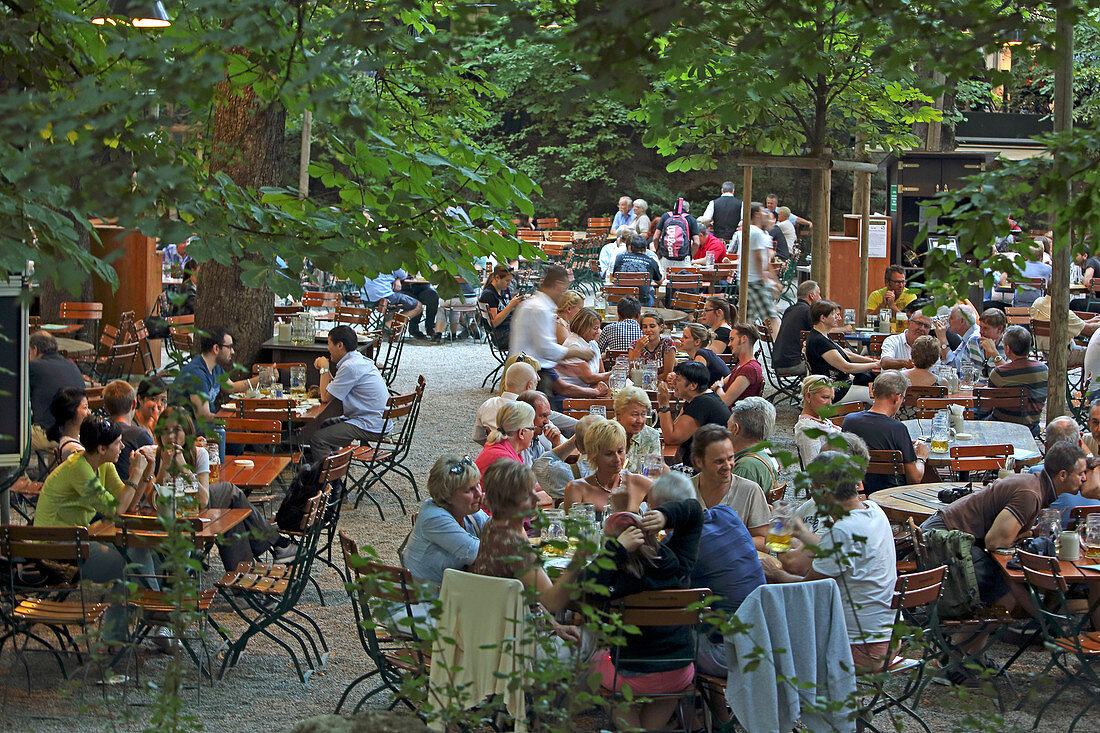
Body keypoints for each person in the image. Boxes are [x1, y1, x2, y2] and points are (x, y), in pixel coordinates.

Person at [583, 476, 703, 732]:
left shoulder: (620, 579)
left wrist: (617, 550)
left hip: (629, 673)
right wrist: (664, 516)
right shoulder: (678, 562)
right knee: (668, 687)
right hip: (679, 670)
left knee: (593, 663)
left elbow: (585, 586)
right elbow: (694, 511)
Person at [765, 451, 898, 672]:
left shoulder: (843, 530)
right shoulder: (874, 512)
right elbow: (840, 554)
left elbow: (809, 588)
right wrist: (801, 531)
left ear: (824, 490)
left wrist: (775, 573)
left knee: (772, 634)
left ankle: (797, 702)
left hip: (859, 649)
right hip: (888, 640)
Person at [921, 441, 1087, 607]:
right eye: (1081, 473)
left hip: (954, 536)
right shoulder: (1030, 494)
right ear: (1063, 475)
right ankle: (1045, 625)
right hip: (942, 538)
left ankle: (1043, 623)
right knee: (1007, 588)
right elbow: (995, 542)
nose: (1084, 478)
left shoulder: (1035, 484)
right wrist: (1028, 534)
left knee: (1013, 581)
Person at [34, 417, 155, 643]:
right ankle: (153, 614)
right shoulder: (78, 469)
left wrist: (147, 472)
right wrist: (136, 475)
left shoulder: (103, 464)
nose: (122, 446)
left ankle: (140, 619)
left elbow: (127, 504)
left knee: (143, 551)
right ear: (101, 448)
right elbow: (117, 510)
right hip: (57, 552)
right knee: (130, 564)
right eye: (118, 442)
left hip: (77, 542)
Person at [148, 407, 296, 567]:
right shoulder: (151, 454)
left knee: (232, 515)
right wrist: (165, 467)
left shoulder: (198, 454)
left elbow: (203, 502)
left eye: (177, 430)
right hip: (167, 521)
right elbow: (153, 502)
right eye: (165, 430)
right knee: (230, 496)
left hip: (197, 516)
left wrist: (185, 469)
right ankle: (275, 546)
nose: (170, 436)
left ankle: (242, 574)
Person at [469, 460, 589, 657]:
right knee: (597, 641)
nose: (537, 499)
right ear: (508, 503)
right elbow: (553, 602)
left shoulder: (494, 525)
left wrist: (556, 626)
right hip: (517, 647)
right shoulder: (515, 546)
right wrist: (577, 561)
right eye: (527, 496)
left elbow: (530, 598)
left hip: (494, 632)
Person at [686, 466, 766, 678]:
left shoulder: (684, 544)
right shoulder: (729, 516)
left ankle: (679, 697)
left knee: (669, 636)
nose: (727, 467)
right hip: (762, 647)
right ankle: (715, 711)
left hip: (728, 656)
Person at [509, 264, 596, 402]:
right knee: (559, 406)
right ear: (558, 285)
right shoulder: (539, 308)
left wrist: (561, 363)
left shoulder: (536, 305)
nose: (565, 294)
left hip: (534, 367)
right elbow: (545, 349)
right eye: (565, 289)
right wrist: (578, 353)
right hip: (532, 372)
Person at [403, 454, 489, 592]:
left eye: (478, 484)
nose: (479, 493)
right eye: (469, 490)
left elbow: (501, 538)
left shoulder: (470, 512)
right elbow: (479, 553)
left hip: (454, 593)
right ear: (448, 496)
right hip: (423, 601)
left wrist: (500, 513)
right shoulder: (433, 517)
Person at [841, 371, 930, 494]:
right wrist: (921, 457)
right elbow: (914, 479)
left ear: (873, 392)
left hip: (859, 492)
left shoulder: (849, 421)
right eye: (903, 398)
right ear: (897, 397)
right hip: (892, 494)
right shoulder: (898, 428)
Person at [310, 324, 390, 461]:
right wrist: (325, 369)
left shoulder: (350, 367)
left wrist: (324, 368)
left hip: (369, 423)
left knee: (318, 439)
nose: (328, 348)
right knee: (326, 424)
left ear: (340, 345)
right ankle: (335, 464)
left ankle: (328, 479)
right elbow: (333, 387)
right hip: (376, 419)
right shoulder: (357, 359)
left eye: (329, 344)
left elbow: (325, 397)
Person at [689, 424, 770, 549]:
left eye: (730, 458)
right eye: (719, 461)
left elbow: (764, 542)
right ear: (699, 461)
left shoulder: (750, 490)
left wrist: (728, 543)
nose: (728, 466)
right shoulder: (684, 491)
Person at [563, 418, 652, 513]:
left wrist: (661, 516)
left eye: (620, 451)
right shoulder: (577, 489)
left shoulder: (637, 482)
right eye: (609, 454)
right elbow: (572, 527)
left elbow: (668, 504)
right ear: (594, 455)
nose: (617, 459)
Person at [174, 327, 257, 420]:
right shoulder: (197, 374)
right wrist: (231, 419)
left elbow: (231, 387)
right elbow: (203, 417)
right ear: (216, 348)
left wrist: (260, 379)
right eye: (229, 347)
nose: (232, 352)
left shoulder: (214, 367)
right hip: (189, 430)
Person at [657, 360, 732, 463]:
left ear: (693, 385)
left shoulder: (702, 403)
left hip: (709, 466)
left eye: (678, 380)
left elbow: (671, 438)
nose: (673, 383)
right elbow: (674, 427)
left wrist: (663, 403)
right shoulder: (697, 397)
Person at [805, 299, 878, 403]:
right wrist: (875, 365)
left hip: (841, 384)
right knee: (879, 397)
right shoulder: (819, 340)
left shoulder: (822, 335)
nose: (839, 318)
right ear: (823, 318)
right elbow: (846, 367)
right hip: (834, 391)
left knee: (871, 382)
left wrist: (872, 361)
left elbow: (847, 354)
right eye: (834, 315)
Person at [1033, 418, 1100, 527]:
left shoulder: (1039, 473)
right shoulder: (1094, 476)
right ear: (1079, 443)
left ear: (1046, 447)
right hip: (1092, 535)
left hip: (1055, 537)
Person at [985, 325, 1047, 435]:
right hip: (1031, 427)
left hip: (1002, 426)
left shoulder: (999, 373)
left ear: (1007, 349)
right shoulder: (1043, 370)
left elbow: (988, 406)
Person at [29, 330, 85, 448]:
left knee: (11, 435)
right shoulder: (71, 364)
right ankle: (52, 465)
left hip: (48, 435)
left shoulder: (33, 367)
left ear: (34, 349)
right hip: (77, 433)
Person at [733, 203, 780, 337]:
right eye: (763, 211)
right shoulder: (756, 233)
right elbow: (759, 258)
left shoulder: (750, 231)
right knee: (771, 316)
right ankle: (780, 351)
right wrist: (765, 279)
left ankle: (739, 349)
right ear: (757, 214)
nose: (766, 214)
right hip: (754, 281)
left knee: (745, 320)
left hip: (746, 279)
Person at [472, 360, 538, 443]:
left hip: (492, 451)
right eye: (536, 385)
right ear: (529, 386)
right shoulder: (530, 408)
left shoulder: (487, 404)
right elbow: (547, 444)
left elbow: (477, 437)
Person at [1030, 294, 1100, 367]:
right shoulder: (1063, 311)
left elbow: (1073, 324)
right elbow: (1089, 331)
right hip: (1065, 356)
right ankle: (1090, 378)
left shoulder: (1037, 303)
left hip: (1046, 354)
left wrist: (1089, 321)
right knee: (1096, 352)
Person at [103, 379, 153, 479]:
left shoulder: (101, 430)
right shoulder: (139, 435)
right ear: (134, 404)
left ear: (105, 408)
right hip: (135, 490)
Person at [728, 396, 780, 493]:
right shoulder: (762, 453)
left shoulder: (745, 467)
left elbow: (732, 506)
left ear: (735, 429)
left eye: (727, 426)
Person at [474, 401, 536, 479]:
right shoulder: (504, 460)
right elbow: (521, 491)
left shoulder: (504, 449)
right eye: (532, 429)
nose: (533, 433)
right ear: (521, 433)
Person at [772, 280, 820, 376]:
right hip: (794, 365)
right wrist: (843, 330)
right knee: (824, 362)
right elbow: (820, 333)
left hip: (778, 363)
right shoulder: (808, 311)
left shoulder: (790, 310)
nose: (820, 298)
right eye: (819, 294)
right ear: (812, 296)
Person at [361, 269, 426, 336]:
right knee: (418, 306)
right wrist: (398, 278)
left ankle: (388, 325)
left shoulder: (367, 261)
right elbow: (403, 275)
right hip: (384, 297)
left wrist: (396, 278)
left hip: (366, 299)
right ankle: (387, 326)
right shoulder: (393, 260)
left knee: (399, 300)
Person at [556, 308, 610, 390]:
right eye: (595, 328)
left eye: (598, 328)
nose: (597, 332)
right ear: (584, 327)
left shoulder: (593, 343)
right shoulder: (574, 344)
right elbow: (588, 379)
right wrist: (615, 373)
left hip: (589, 392)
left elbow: (601, 372)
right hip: (572, 395)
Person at [614, 386, 662, 473]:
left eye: (643, 414)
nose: (640, 420)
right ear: (619, 414)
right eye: (635, 415)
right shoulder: (605, 433)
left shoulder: (651, 436)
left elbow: (653, 474)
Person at [794, 375, 839, 466]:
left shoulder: (821, 420)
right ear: (808, 396)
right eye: (825, 397)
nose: (829, 404)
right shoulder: (807, 428)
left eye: (831, 399)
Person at [716, 323, 764, 407]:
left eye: (732, 339)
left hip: (734, 417)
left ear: (743, 339)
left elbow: (725, 401)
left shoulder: (749, 369)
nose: (729, 344)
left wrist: (718, 387)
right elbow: (722, 381)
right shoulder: (742, 365)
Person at [479, 264, 524, 349]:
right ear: (497, 278)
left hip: (510, 329)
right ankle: (514, 360)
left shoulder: (504, 290)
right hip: (500, 336)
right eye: (507, 281)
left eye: (510, 281)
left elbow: (508, 311)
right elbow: (494, 323)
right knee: (532, 338)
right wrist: (510, 306)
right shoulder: (489, 294)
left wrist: (517, 305)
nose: (509, 284)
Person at [611, 235, 663, 306]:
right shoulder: (651, 261)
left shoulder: (620, 258)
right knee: (651, 297)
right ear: (645, 248)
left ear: (630, 248)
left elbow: (614, 277)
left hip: (619, 300)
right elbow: (659, 282)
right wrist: (663, 274)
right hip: (642, 301)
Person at [653, 198, 702, 270]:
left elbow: (655, 238)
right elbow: (696, 242)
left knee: (665, 279)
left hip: (666, 258)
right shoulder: (691, 219)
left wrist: (658, 251)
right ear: (687, 210)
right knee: (682, 280)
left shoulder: (665, 216)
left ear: (674, 207)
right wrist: (689, 256)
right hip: (683, 259)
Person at [627, 311, 677, 379]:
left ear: (661, 327)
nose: (648, 330)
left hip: (661, 384)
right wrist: (638, 350)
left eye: (652, 326)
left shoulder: (667, 344)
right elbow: (631, 374)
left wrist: (648, 381)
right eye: (644, 327)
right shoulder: (635, 345)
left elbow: (667, 374)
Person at [679, 323, 730, 388]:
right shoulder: (702, 354)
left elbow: (694, 384)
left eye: (685, 337)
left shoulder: (701, 355)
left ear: (697, 342)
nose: (681, 339)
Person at [961, 307, 1007, 377]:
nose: (981, 331)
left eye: (985, 328)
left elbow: (1009, 375)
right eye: (980, 327)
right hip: (976, 386)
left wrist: (994, 353)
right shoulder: (973, 341)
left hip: (997, 387)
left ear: (999, 329)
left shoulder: (1008, 345)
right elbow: (963, 371)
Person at [48, 387, 89, 461]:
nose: (89, 412)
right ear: (71, 412)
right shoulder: (73, 449)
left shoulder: (73, 440)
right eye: (85, 407)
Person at [937, 303, 979, 369]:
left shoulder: (974, 338)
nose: (948, 320)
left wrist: (942, 339)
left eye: (951, 318)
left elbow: (956, 368)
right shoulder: (967, 335)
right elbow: (955, 358)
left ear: (962, 321)